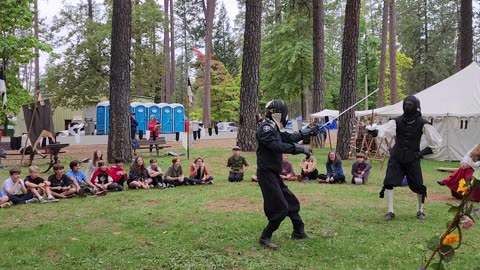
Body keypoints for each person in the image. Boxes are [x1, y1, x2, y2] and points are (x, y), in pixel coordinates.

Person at [256, 99, 324, 249]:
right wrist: (300, 149)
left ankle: (298, 232)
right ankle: (265, 236)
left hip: (274, 174)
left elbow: (287, 137)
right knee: (280, 207)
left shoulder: (274, 127)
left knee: (291, 202)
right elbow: (277, 145)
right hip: (266, 174)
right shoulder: (265, 128)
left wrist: (307, 132)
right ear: (279, 113)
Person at [366, 95, 442, 221]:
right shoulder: (396, 121)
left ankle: (420, 211)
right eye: (406, 104)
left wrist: (419, 154)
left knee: (418, 185)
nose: (407, 106)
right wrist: (375, 132)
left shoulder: (423, 123)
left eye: (410, 104)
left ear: (416, 106)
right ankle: (390, 211)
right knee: (389, 181)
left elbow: (436, 143)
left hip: (413, 158)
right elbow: (384, 130)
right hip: (397, 157)